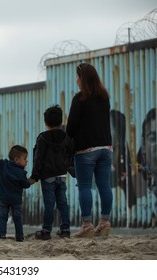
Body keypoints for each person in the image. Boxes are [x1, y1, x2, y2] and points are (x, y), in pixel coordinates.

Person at [66, 62, 113, 238]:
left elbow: (71, 127)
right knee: (104, 185)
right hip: (106, 148)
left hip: (86, 150)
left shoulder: (79, 99)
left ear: (83, 79)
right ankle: (105, 222)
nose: (76, 80)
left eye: (78, 77)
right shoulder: (104, 97)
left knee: (85, 186)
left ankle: (87, 225)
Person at [29, 105, 74, 240]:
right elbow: (70, 155)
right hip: (62, 175)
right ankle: (65, 230)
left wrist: (34, 177)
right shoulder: (66, 137)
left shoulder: (42, 138)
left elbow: (38, 159)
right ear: (60, 121)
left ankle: (46, 231)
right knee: (63, 203)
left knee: (49, 204)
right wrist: (72, 170)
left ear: (46, 122)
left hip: (47, 177)